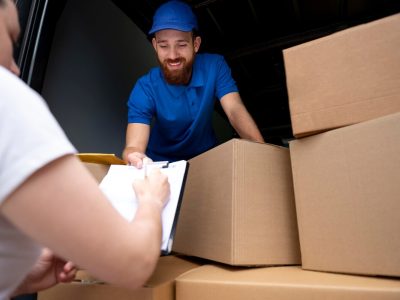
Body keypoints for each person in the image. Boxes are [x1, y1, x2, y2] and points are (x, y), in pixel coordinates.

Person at [0, 0, 170, 298]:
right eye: (11, 39)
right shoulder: (7, 100)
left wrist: (23, 278)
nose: (15, 69)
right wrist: (152, 200)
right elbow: (132, 264)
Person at [123, 0, 265, 168]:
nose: (172, 55)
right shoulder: (145, 87)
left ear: (195, 44)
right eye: (163, 46)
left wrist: (262, 152)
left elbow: (234, 110)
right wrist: (134, 157)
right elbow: (134, 146)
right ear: (155, 45)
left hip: (207, 158)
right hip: (162, 164)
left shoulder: (215, 66)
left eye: (181, 44)